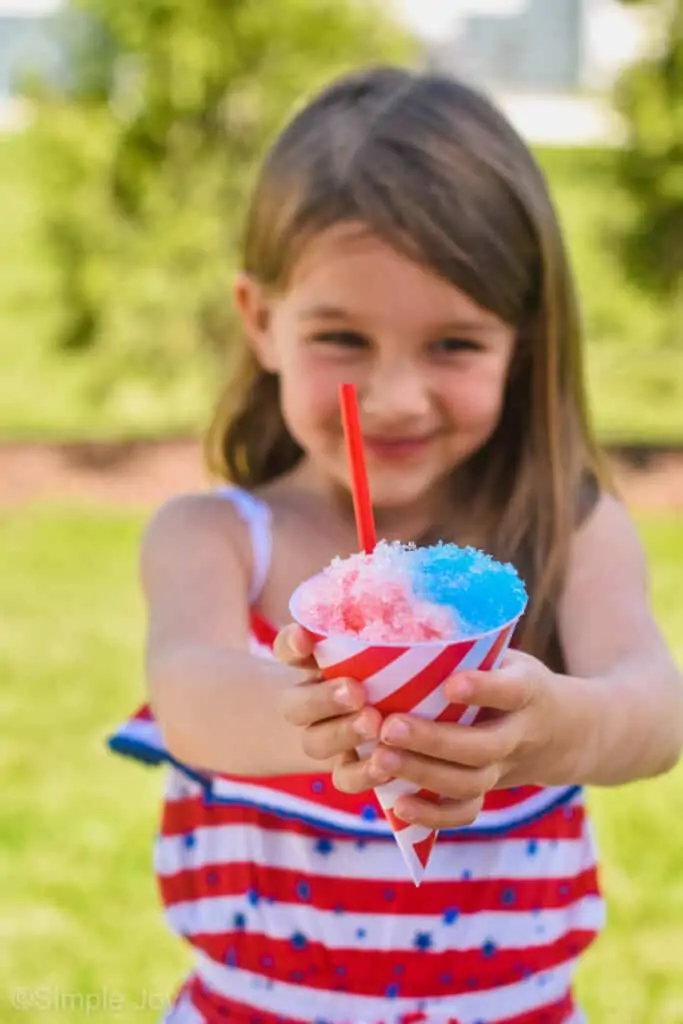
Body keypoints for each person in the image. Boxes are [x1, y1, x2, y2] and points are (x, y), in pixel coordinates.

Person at [108, 66, 683, 1024]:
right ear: (260, 322)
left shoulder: (569, 532)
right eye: (341, 337)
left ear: (523, 341)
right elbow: (192, 694)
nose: (397, 398)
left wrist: (548, 732)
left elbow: (654, 709)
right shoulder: (213, 539)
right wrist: (335, 710)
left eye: (454, 345)